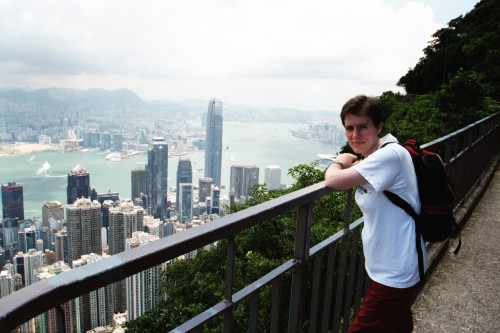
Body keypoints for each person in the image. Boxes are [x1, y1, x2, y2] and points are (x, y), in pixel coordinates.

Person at [324, 95, 426, 333]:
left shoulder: (389, 155)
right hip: (387, 267)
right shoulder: (376, 157)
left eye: (363, 127)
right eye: (349, 128)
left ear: (379, 126)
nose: (355, 135)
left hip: (397, 271)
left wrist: (338, 162)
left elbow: (333, 180)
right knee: (397, 326)